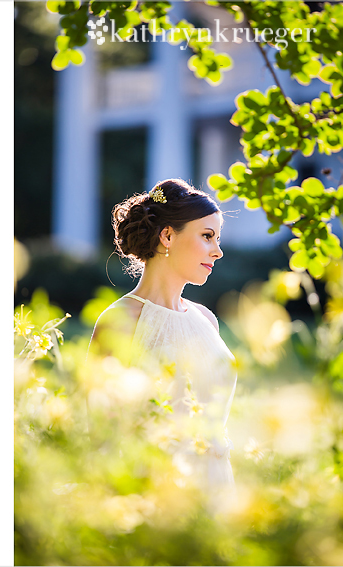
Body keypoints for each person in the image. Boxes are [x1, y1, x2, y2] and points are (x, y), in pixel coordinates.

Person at [88, 178, 237, 499]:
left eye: (218, 238)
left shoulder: (207, 320)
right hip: (155, 491)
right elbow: (99, 429)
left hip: (216, 486)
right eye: (207, 236)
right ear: (167, 235)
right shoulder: (121, 321)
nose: (218, 250)